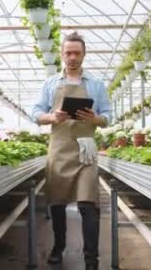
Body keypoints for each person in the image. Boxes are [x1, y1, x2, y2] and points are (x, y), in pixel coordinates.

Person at [31, 32, 112, 270]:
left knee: (88, 205)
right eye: (68, 52)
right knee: (57, 203)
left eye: (77, 52)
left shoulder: (95, 84)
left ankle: (91, 259)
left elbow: (108, 116)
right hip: (59, 148)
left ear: (84, 54)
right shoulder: (51, 83)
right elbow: (35, 113)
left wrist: (95, 118)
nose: (72, 57)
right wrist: (51, 116)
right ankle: (59, 246)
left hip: (85, 148)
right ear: (62, 54)